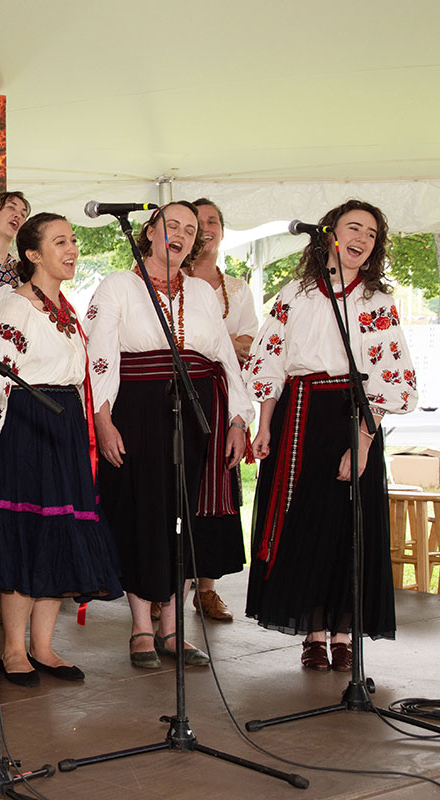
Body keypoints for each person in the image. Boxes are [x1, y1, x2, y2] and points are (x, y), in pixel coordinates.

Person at [246, 199, 416, 671]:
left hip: (355, 416)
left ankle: (343, 633)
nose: (361, 239)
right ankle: (312, 631)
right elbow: (269, 362)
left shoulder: (376, 302)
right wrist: (263, 424)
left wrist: (361, 440)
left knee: (348, 529)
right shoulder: (295, 295)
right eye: (353, 228)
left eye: (371, 234)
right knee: (305, 524)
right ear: (329, 233)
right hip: (299, 417)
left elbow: (391, 377)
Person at [84, 201, 252, 669]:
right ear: (150, 231)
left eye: (189, 229)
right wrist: (103, 421)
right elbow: (98, 358)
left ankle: (174, 627)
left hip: (196, 414)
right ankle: (140, 626)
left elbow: (225, 359)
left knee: (184, 518)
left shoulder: (201, 292)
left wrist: (238, 419)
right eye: (170, 224)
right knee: (144, 515)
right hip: (137, 411)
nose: (178, 233)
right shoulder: (118, 285)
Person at [0, 212, 122, 687]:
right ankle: (13, 648)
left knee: (57, 536)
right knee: (26, 535)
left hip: (63, 427)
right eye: (60, 241)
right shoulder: (14, 308)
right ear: (33, 255)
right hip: (26, 426)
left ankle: (43, 646)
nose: (72, 249)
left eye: (74, 240)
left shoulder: (66, 310)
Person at [176, 197, 259, 622]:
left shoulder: (238, 289)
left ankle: (205, 589)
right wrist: (226, 344)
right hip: (174, 393)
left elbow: (251, 348)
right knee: (176, 488)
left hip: (222, 395)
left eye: (212, 221)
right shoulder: (170, 280)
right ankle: (165, 588)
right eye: (196, 222)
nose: (204, 229)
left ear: (223, 231)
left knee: (216, 489)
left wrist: (223, 346)